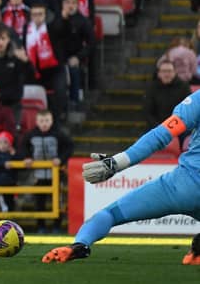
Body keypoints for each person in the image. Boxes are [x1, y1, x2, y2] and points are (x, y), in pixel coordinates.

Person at [41, 89, 200, 265]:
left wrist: (115, 163)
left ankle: (79, 245)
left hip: (183, 186)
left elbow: (161, 135)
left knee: (109, 214)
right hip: (184, 184)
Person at [22, 109, 74, 233]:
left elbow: (69, 146)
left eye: (47, 120)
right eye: (41, 121)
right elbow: (23, 146)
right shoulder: (31, 135)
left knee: (58, 202)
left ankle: (57, 227)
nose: (44, 123)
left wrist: (60, 159)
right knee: (39, 202)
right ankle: (41, 227)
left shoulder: (58, 134)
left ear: (51, 121)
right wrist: (27, 157)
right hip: (38, 175)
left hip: (56, 174)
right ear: (37, 121)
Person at [144, 60, 191, 129]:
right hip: (156, 129)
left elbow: (188, 110)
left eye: (169, 71)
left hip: (180, 128)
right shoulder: (151, 88)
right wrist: (160, 128)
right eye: (163, 71)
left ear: (174, 72)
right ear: (159, 73)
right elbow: (148, 112)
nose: (166, 74)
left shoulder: (184, 87)